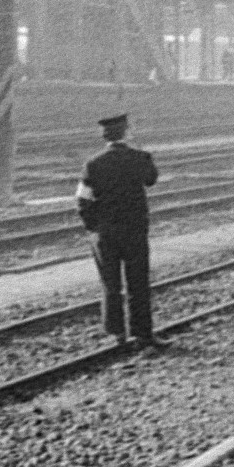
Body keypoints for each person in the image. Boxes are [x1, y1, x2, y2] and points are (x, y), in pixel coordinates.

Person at [76, 112, 159, 345]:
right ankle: (142, 334)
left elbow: (82, 200)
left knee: (110, 285)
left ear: (104, 137)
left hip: (105, 233)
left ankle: (115, 333)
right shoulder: (140, 158)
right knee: (138, 283)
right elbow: (151, 180)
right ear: (127, 133)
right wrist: (143, 153)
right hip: (134, 230)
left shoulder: (93, 164)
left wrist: (94, 227)